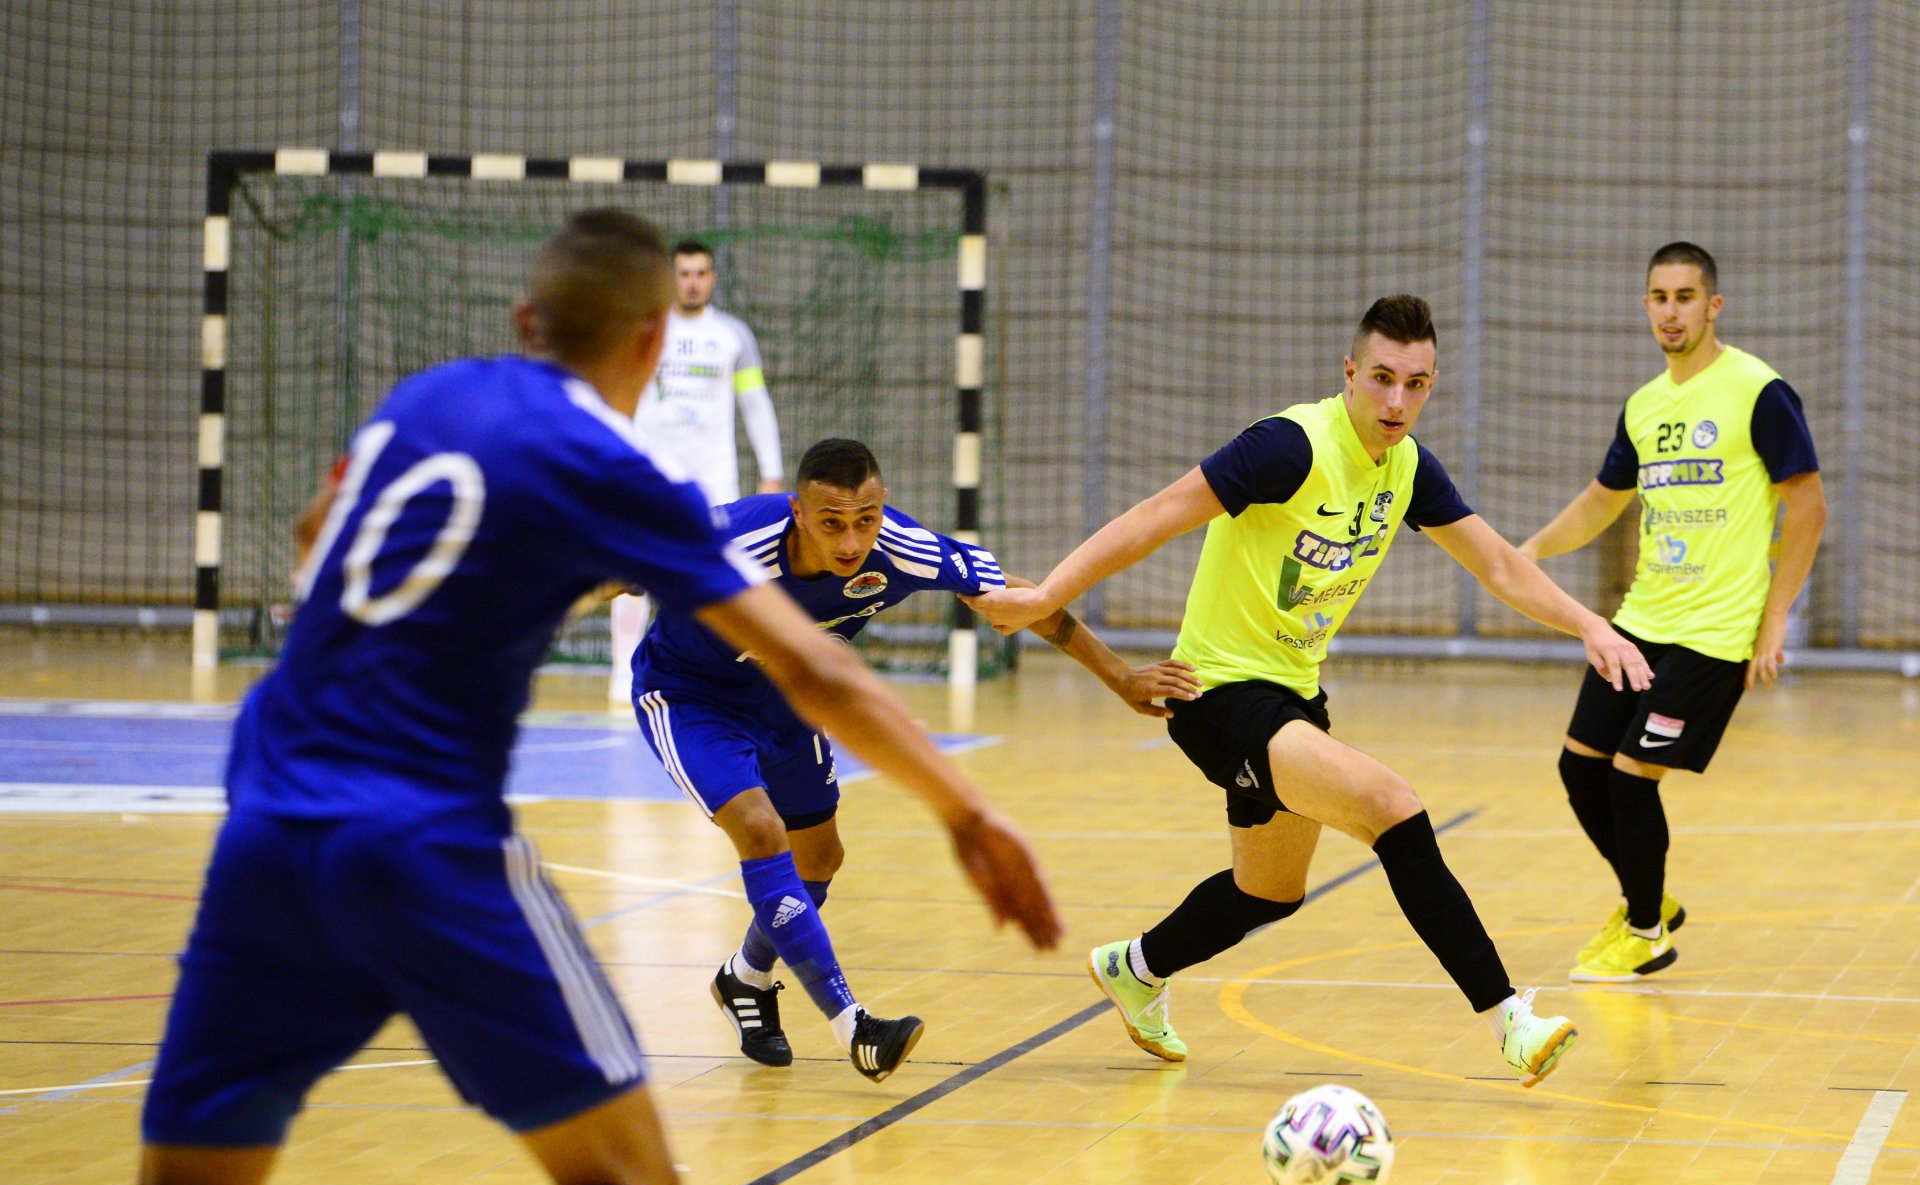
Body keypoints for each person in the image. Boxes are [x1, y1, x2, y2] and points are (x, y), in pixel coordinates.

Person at [93, 210, 1061, 1185]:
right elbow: (819, 672)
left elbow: (314, 537)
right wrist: (968, 811)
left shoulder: (422, 401)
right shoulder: (616, 475)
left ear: (527, 320)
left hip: (264, 826)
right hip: (423, 843)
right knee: (630, 1182)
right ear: (655, 340)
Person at [974, 295, 1654, 1087]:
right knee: (1391, 804)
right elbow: (1158, 515)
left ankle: (1137, 966)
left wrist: (1590, 626)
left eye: (1416, 384)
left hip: (1293, 694)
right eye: (1383, 378)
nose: (1397, 400)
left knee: (1269, 891)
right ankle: (1510, 1019)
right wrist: (1046, 593)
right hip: (1216, 692)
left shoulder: (1407, 468)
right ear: (1349, 373)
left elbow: (1499, 563)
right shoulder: (1288, 446)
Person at [634, 436, 1200, 1077]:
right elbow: (632, 552)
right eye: (831, 523)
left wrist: (1119, 675)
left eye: (866, 520)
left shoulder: (902, 549)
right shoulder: (737, 539)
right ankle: (855, 1026)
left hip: (790, 694)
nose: (851, 542)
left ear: (883, 506)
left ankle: (745, 977)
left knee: (819, 858)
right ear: (797, 512)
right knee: (761, 829)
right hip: (691, 698)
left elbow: (1021, 599)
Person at [1518, 242, 1824, 983]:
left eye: (1686, 297)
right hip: (1642, 621)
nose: (1671, 311)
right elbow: (1602, 500)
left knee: (1631, 778)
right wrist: (1529, 550)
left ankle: (1646, 932)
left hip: (1715, 633)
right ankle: (1647, 897)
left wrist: (1775, 618)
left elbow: (1808, 505)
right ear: (1646, 306)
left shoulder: (1758, 390)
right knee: (1579, 768)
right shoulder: (1645, 406)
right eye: (1659, 297)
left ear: (1713, 306)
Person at [609, 239, 786, 705]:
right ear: (672, 278)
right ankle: (623, 673)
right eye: (684, 273)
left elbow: (755, 403)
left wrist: (770, 470)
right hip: (649, 476)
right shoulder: (646, 330)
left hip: (713, 480)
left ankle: (716, 672)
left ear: (712, 278)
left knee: (717, 573)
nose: (692, 282)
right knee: (633, 570)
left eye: (701, 273)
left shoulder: (733, 336)